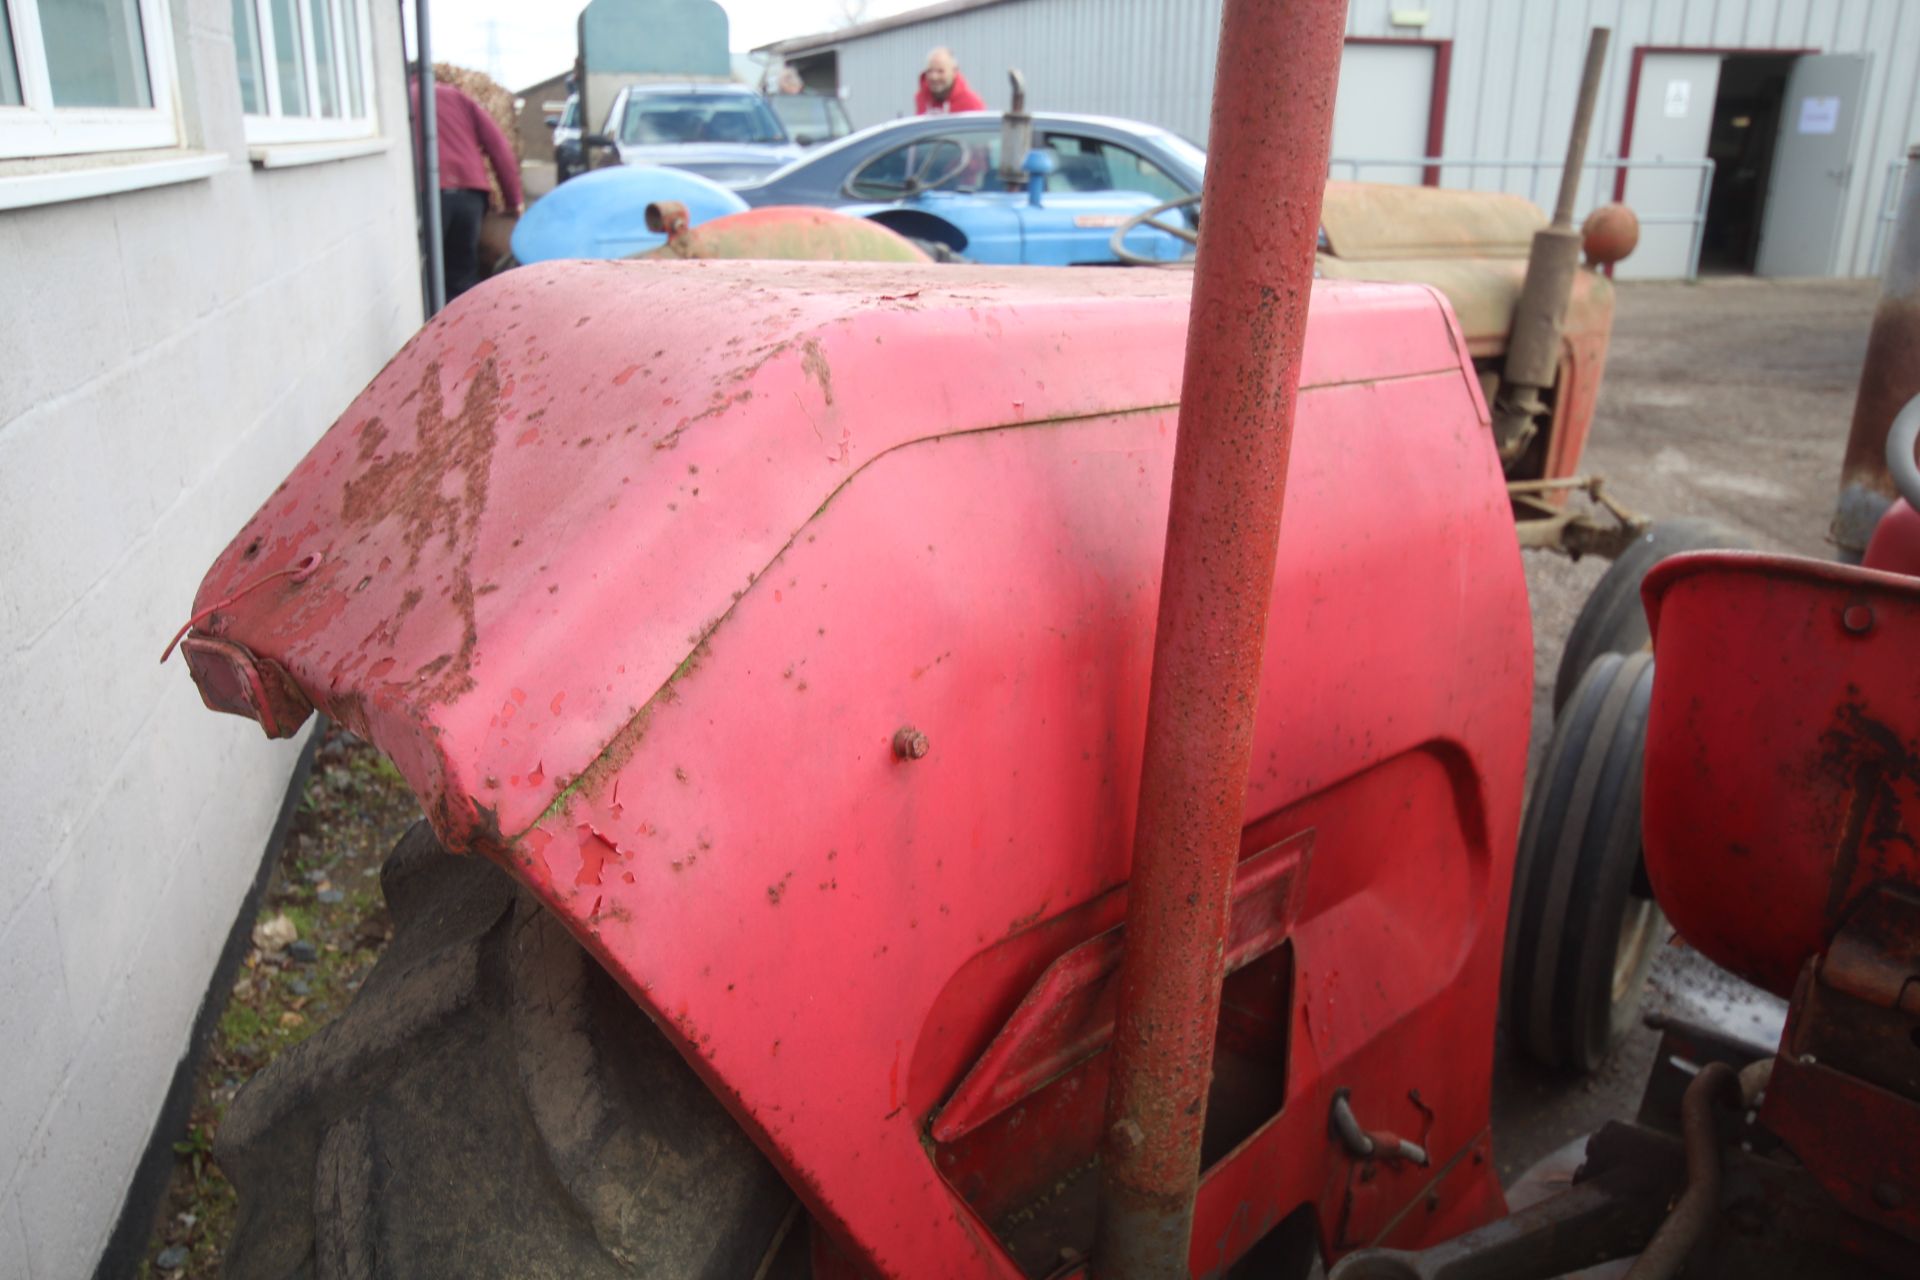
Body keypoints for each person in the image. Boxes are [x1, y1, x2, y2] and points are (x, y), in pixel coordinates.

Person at [410, 68, 525, 300]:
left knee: (426, 275)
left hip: (430, 195)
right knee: (462, 276)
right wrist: (514, 200)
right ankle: (467, 331)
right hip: (471, 196)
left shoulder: (405, 100)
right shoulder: (458, 97)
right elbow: (499, 148)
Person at [915, 47, 986, 115]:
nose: (934, 77)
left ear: (954, 71)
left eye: (940, 71)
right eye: (930, 71)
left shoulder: (971, 104)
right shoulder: (922, 98)